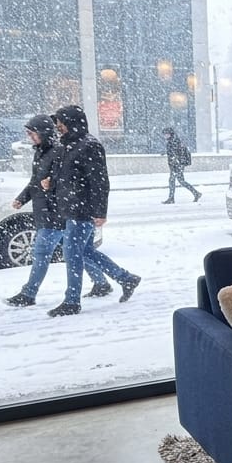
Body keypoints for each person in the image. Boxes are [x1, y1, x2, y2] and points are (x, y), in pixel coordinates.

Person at [44, 104, 141, 318]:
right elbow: (65, 175)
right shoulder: (67, 145)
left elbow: (99, 182)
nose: (58, 126)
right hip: (70, 207)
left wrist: (100, 212)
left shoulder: (89, 145)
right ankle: (126, 278)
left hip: (82, 209)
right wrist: (51, 183)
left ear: (71, 122)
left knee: (72, 254)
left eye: (60, 122)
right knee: (85, 252)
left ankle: (72, 301)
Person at [4, 115, 110, 307]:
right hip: (48, 210)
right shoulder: (42, 152)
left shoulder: (59, 151)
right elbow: (36, 181)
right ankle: (102, 283)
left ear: (43, 133)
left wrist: (50, 186)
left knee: (42, 252)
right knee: (79, 252)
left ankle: (29, 293)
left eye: (32, 133)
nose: (29, 137)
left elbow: (65, 182)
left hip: (57, 211)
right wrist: (22, 198)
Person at [161, 126, 200, 203]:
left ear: (170, 134)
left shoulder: (174, 141)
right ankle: (195, 193)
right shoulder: (172, 140)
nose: (165, 136)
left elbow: (178, 153)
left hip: (177, 165)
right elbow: (174, 152)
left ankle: (171, 198)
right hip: (175, 165)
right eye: (164, 134)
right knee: (180, 181)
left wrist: (176, 161)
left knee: (173, 181)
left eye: (166, 134)